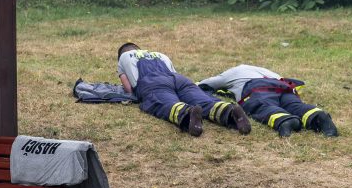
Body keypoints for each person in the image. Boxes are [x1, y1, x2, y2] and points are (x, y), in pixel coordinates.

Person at [117, 43, 251, 137]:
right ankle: (229, 110)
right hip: (179, 80)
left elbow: (129, 88)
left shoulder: (124, 58)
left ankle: (187, 114)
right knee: (202, 99)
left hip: (153, 82)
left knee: (164, 103)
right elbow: (173, 73)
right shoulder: (160, 54)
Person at [197, 64, 338, 137]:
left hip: (257, 87)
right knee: (294, 105)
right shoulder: (264, 70)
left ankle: (284, 120)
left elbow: (203, 84)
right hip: (283, 86)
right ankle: (317, 116)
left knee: (261, 106)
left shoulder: (231, 73)